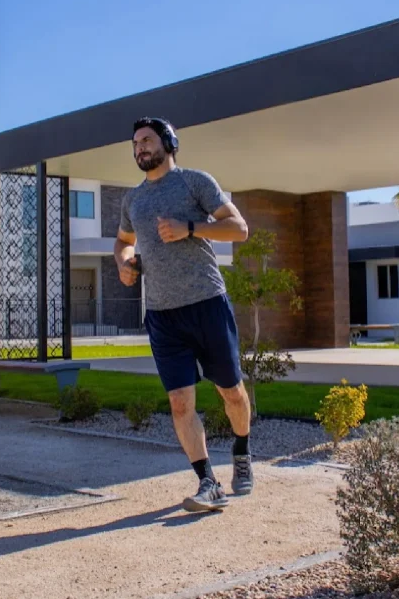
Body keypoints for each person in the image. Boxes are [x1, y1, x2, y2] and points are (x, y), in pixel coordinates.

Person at [114, 116, 252, 512]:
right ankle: (208, 481)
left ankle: (241, 453)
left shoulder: (195, 182)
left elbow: (238, 229)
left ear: (169, 142)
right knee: (179, 402)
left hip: (207, 303)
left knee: (231, 391)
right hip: (161, 314)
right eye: (135, 142)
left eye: (147, 139)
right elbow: (123, 242)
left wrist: (189, 227)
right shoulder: (132, 200)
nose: (140, 147)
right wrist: (124, 263)